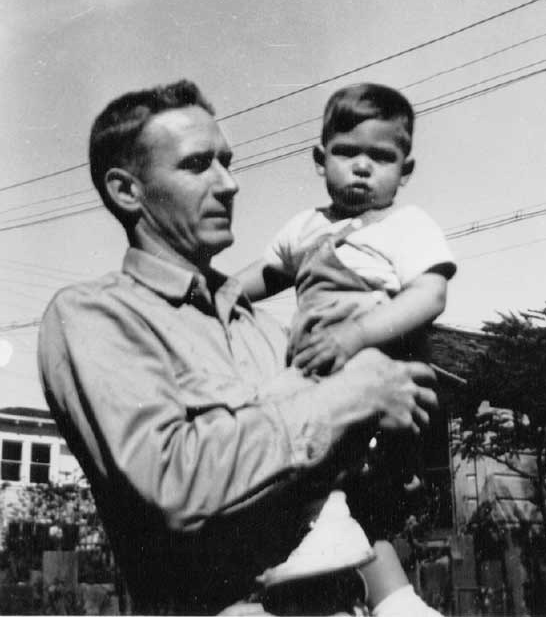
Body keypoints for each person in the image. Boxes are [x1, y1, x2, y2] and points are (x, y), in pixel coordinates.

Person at [38, 79, 440, 615]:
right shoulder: (97, 315)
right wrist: (349, 398)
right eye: (197, 165)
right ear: (126, 191)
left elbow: (344, 492)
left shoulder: (269, 331)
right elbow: (171, 484)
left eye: (226, 162)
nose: (229, 184)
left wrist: (387, 444)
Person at [237, 83, 456, 607]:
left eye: (381, 157)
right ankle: (396, 600)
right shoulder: (305, 227)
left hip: (372, 365)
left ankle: (328, 524)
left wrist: (356, 334)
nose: (362, 167)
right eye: (347, 152)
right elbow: (265, 274)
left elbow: (430, 294)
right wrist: (216, 292)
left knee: (275, 432)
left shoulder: (406, 225)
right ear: (320, 159)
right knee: (333, 484)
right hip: (315, 369)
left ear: (405, 170)